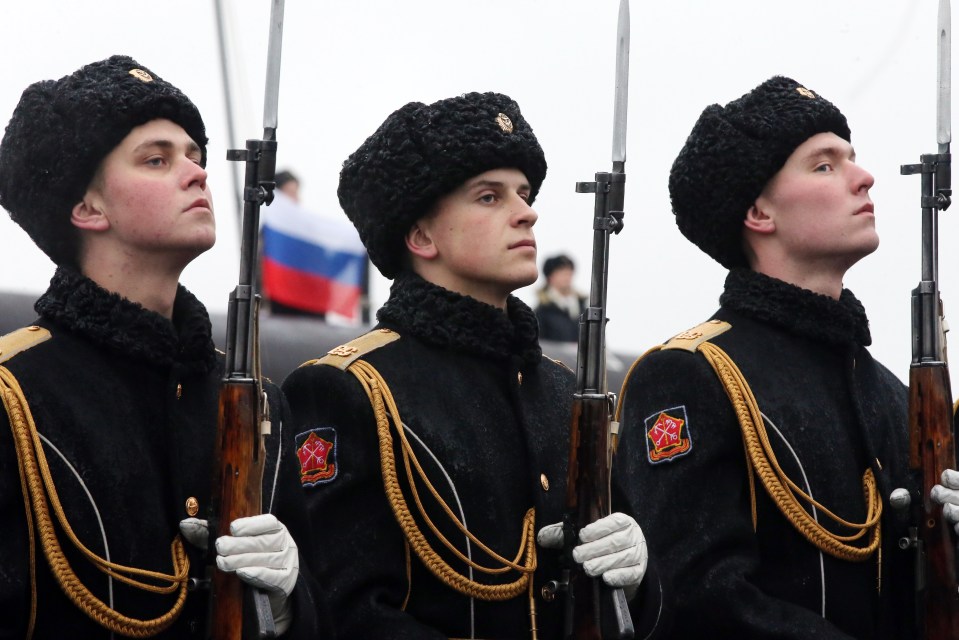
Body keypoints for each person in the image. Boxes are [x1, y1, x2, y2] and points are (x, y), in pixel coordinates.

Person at [281, 92, 662, 638]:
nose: (527, 211)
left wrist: (639, 584)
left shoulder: (560, 390)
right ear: (421, 236)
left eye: (525, 194)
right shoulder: (349, 389)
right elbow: (350, 611)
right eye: (489, 196)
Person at [0, 55, 318, 638]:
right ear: (87, 207)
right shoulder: (14, 395)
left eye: (195, 156)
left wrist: (291, 607)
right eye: (157, 159)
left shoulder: (260, 400)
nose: (196, 172)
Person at [613, 76, 921, 638]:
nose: (864, 176)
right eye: (824, 165)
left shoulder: (892, 394)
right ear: (758, 212)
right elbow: (702, 597)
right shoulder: (689, 374)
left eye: (851, 158)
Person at [534, 253, 586, 343]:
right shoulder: (541, 312)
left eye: (569, 272)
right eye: (561, 271)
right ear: (550, 277)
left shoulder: (583, 309)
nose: (567, 276)